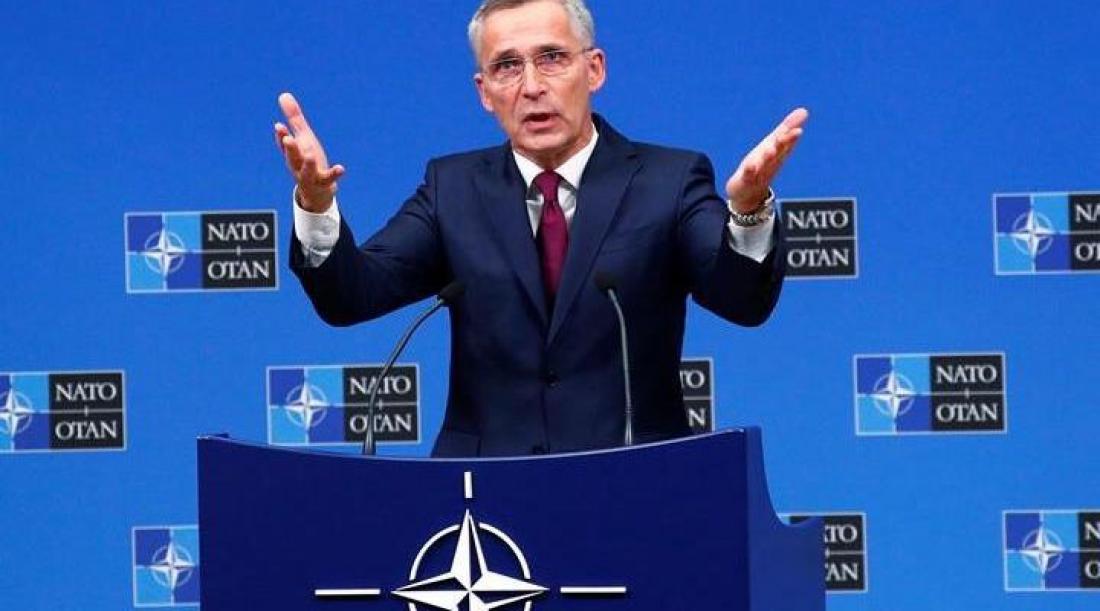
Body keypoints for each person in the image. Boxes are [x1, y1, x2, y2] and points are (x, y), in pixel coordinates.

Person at [275, 0, 807, 457]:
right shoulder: (452, 188)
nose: (532, 86)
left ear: (594, 69)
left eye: (552, 58)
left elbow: (741, 300)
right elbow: (351, 297)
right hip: (481, 496)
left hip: (635, 484)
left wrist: (748, 211)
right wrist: (317, 206)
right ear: (484, 91)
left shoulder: (669, 180)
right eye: (507, 66)